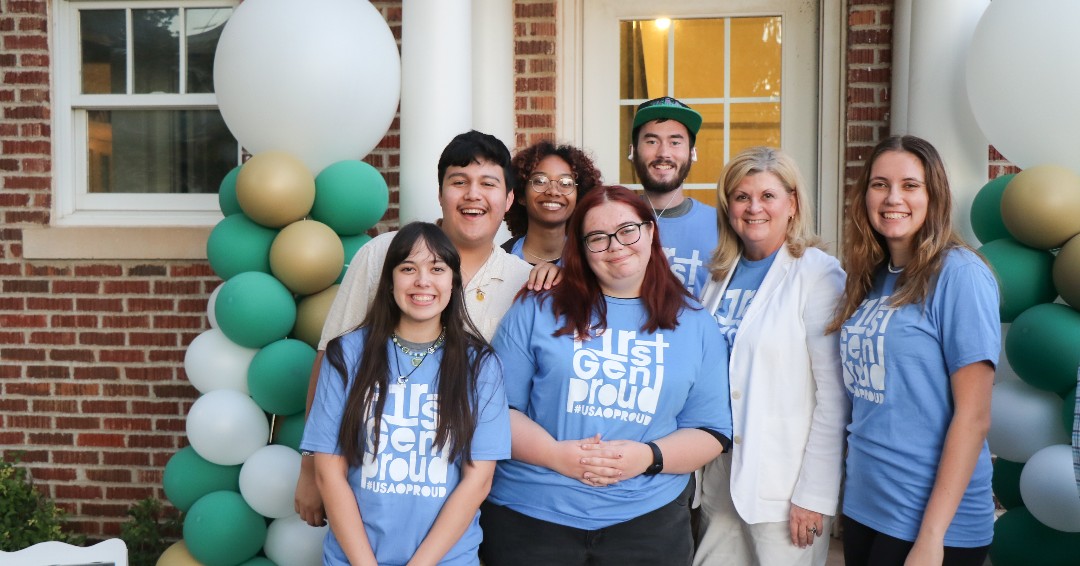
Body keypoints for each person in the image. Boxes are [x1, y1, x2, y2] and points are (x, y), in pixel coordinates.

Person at [479, 185, 733, 566]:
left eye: (628, 230)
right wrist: (555, 455)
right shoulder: (538, 307)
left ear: (650, 232)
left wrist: (648, 457)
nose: (616, 246)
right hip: (532, 513)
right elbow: (494, 409)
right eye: (597, 238)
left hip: (646, 521)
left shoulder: (695, 322)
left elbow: (711, 429)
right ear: (579, 249)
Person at [295, 130, 533, 527]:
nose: (473, 195)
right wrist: (309, 468)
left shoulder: (525, 282)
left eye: (488, 184)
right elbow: (330, 358)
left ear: (508, 200)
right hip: (381, 483)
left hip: (486, 480)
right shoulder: (382, 255)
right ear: (440, 194)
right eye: (459, 182)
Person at [827, 135, 999, 566]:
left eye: (910, 185)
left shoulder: (959, 274)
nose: (892, 198)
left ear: (933, 195)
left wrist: (931, 536)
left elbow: (974, 417)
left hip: (933, 522)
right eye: (880, 184)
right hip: (868, 506)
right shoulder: (871, 276)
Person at [300, 222, 510, 565]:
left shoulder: (481, 365)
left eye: (437, 269)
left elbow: (478, 480)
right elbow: (328, 472)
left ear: (453, 282)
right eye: (408, 268)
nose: (422, 281)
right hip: (354, 558)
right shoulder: (346, 355)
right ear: (390, 280)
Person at [694, 147, 848, 566]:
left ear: (792, 204)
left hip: (783, 483)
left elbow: (834, 399)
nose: (754, 208)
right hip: (719, 474)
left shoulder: (818, 275)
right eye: (742, 197)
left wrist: (813, 495)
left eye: (768, 196)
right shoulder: (717, 275)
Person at [630, 96, 719, 298]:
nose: (664, 153)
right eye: (652, 141)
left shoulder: (722, 226)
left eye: (675, 142)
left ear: (692, 153)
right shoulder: (610, 222)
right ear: (633, 151)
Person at [501, 140, 602, 265]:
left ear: (578, 197)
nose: (553, 191)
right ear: (521, 195)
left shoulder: (593, 260)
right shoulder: (499, 262)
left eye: (565, 183)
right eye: (540, 181)